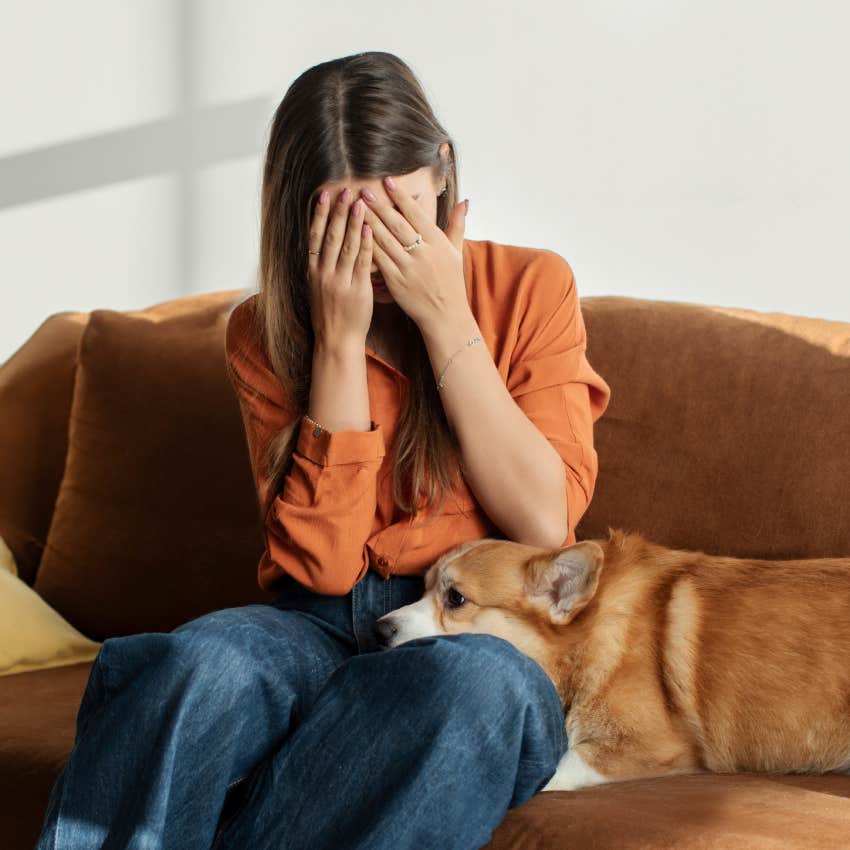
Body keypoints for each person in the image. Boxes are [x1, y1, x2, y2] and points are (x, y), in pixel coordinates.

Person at [34, 50, 612, 850]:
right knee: (197, 665)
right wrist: (338, 344)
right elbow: (324, 568)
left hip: (470, 630)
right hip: (315, 623)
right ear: (299, 217)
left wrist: (447, 320)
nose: (375, 250)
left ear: (442, 173)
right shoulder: (264, 331)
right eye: (344, 225)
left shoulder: (531, 288)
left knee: (471, 685)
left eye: (400, 213)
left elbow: (544, 523)